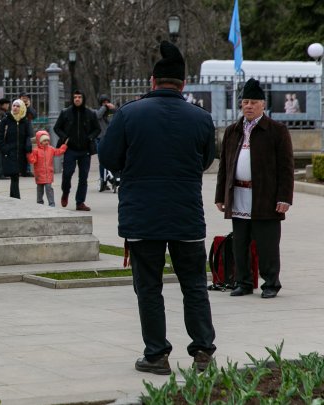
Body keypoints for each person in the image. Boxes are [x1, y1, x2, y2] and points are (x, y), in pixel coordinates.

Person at [98, 41, 217, 375]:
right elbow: (206, 160)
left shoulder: (128, 114)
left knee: (149, 286)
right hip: (186, 214)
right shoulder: (201, 118)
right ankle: (203, 351)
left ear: (152, 81)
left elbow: (107, 157)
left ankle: (156, 355)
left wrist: (131, 168)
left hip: (142, 215)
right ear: (183, 85)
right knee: (194, 284)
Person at [215, 78, 294, 299]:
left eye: (253, 102)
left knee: (267, 244)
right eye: (245, 101)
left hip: (265, 198)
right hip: (238, 195)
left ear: (262, 105)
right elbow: (224, 166)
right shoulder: (232, 131)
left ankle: (270, 283)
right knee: (240, 242)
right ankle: (243, 282)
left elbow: (286, 168)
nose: (248, 106)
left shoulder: (276, 131)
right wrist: (221, 195)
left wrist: (284, 197)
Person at [53, 90, 101, 211]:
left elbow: (97, 129)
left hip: (85, 150)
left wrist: (90, 137)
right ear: (72, 99)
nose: (77, 99)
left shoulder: (90, 113)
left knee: (83, 177)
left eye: (79, 97)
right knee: (67, 173)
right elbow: (56, 128)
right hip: (70, 149)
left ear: (83, 98)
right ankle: (65, 192)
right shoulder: (66, 113)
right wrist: (65, 138)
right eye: (75, 97)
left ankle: (80, 202)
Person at [0, 99, 33, 199]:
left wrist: (28, 146)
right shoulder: (6, 120)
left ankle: (13, 198)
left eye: (18, 106)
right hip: (9, 153)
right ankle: (16, 198)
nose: (15, 108)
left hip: (21, 153)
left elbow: (29, 135)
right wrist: (5, 149)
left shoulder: (25, 121)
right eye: (14, 105)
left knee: (15, 177)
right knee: (14, 176)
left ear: (22, 108)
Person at [27, 130, 67, 206]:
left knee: (49, 188)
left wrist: (64, 146)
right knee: (40, 190)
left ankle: (51, 203)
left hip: (48, 173)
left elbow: (58, 152)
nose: (46, 142)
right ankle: (39, 203)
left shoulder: (51, 149)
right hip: (39, 174)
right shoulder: (36, 151)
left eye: (47, 140)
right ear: (40, 141)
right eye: (44, 140)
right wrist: (29, 154)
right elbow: (33, 160)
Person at [95, 94, 117, 192]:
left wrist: (114, 108)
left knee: (111, 160)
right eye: (104, 102)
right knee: (102, 161)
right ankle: (103, 180)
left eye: (107, 102)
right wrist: (105, 107)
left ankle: (112, 178)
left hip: (110, 138)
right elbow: (98, 116)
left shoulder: (111, 113)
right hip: (100, 139)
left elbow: (119, 115)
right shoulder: (97, 111)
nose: (106, 104)